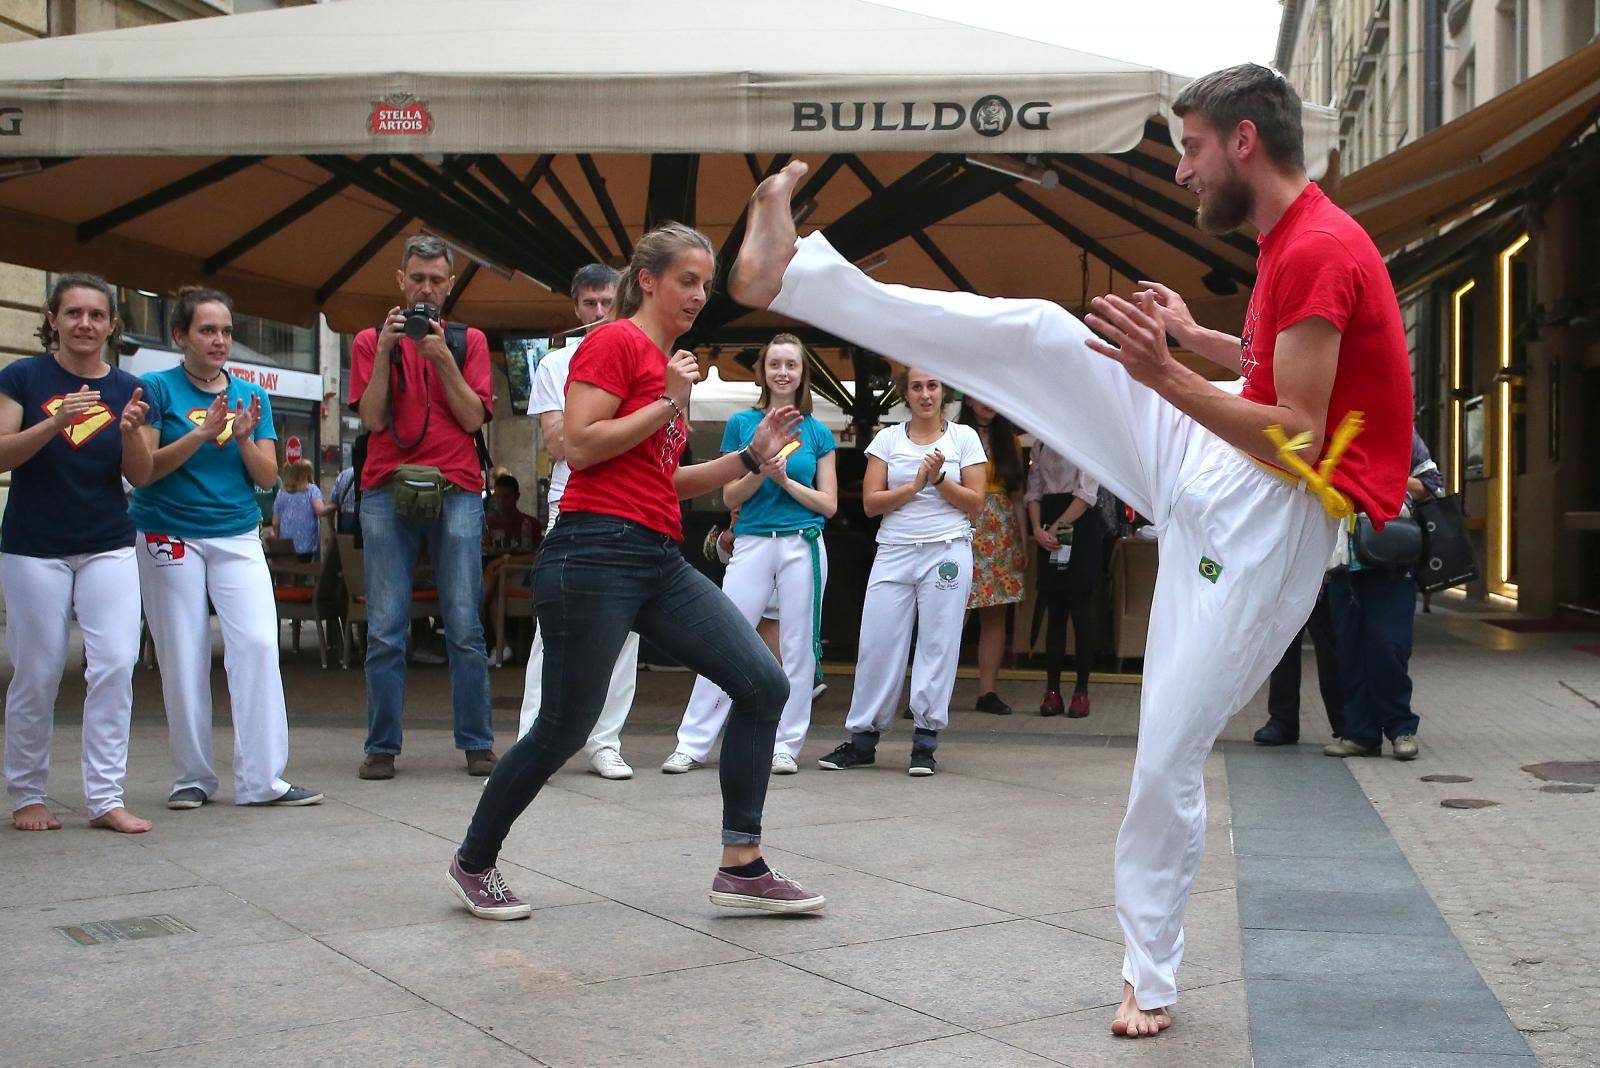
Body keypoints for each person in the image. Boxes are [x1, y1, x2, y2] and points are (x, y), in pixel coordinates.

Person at [726, 62, 1411, 1036]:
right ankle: (795, 277)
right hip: (1219, 461)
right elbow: (1274, 375)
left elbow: (1294, 430)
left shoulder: (1318, 249)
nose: (1180, 172)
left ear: (1243, 142)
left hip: (1272, 515)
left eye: (1191, 148)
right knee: (1045, 337)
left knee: (1166, 744)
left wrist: (1162, 372)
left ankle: (1150, 977)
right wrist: (1189, 340)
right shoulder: (1293, 240)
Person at [449, 223, 825, 920]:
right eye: (687, 280)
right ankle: (474, 860)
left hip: (657, 554)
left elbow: (667, 480)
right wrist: (666, 403)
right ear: (647, 279)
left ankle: (742, 864)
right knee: (565, 726)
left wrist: (751, 458)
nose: (699, 295)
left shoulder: (662, 362)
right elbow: (584, 447)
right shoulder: (616, 341)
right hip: (592, 549)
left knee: (761, 684)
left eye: (706, 284)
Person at [131, 286, 322, 810]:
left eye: (226, 331)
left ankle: (263, 779)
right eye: (206, 330)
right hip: (168, 530)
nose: (219, 340)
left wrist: (239, 437)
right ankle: (192, 777)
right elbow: (143, 470)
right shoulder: (156, 389)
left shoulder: (251, 395)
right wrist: (202, 433)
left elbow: (268, 478)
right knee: (184, 651)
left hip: (236, 532)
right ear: (180, 336)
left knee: (260, 643)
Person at [1, 273, 155, 834]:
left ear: (112, 326)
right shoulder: (22, 376)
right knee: (37, 672)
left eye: (96, 315)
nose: (84, 324)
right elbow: (1, 454)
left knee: (115, 664)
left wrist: (135, 433)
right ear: (53, 320)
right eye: (73, 314)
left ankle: (106, 798)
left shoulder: (126, 389)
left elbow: (139, 475)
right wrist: (56, 421)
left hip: (107, 543)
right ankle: (27, 795)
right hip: (33, 546)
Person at [349, 235, 497, 780]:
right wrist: (389, 351)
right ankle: (381, 746)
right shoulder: (370, 340)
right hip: (387, 486)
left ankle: (477, 742)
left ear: (450, 284)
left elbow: (471, 419)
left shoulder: (468, 340)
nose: (426, 290)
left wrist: (440, 358)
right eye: (418, 279)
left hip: (456, 485)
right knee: (386, 625)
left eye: (437, 280)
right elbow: (373, 420)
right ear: (400, 280)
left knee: (464, 624)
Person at [663, 333, 837, 776]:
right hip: (754, 540)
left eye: (791, 365)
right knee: (726, 638)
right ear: (763, 371)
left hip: (802, 543)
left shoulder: (817, 432)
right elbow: (728, 495)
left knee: (798, 649)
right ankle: (693, 743)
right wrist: (761, 469)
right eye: (775, 364)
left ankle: (785, 745)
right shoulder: (742, 423)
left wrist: (785, 481)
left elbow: (829, 504)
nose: (782, 372)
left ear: (802, 373)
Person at [816, 367, 986, 777]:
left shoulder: (964, 437)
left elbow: (976, 503)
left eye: (932, 386)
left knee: (938, 644)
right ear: (904, 394)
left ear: (943, 390)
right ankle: (863, 741)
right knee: (877, 643)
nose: (925, 394)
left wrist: (940, 479)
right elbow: (871, 504)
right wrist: (915, 486)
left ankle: (925, 741)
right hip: (893, 550)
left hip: (946, 548)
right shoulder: (887, 439)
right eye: (917, 387)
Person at [517, 264, 643, 780]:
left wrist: (592, 432)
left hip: (628, 502)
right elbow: (557, 445)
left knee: (628, 630)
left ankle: (604, 740)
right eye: (589, 304)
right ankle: (532, 740)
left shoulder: (639, 351)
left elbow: (643, 437)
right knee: (554, 628)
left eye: (607, 302)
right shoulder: (556, 362)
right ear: (575, 308)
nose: (598, 313)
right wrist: (614, 431)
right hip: (571, 503)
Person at [1322, 429, 1442, 761]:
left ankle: (1401, 728)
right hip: (1340, 564)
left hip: (1391, 560)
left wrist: (1378, 479)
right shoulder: (1326, 432)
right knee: (1349, 652)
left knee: (1390, 648)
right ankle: (1361, 734)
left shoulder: (1401, 432)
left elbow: (1433, 484)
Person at [1025, 441, 1109, 717]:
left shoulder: (1085, 442)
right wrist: (1037, 529)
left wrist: (1057, 527)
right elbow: (1033, 490)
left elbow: (1087, 494)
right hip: (1048, 518)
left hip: (1079, 523)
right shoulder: (1038, 446)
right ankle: (1052, 690)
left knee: (1081, 611)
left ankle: (1081, 690)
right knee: (1054, 610)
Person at [959, 398, 1027, 716]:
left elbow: (1017, 495)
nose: (989, 404)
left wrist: (1023, 543)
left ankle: (988, 690)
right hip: (964, 523)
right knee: (951, 611)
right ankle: (934, 688)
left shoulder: (1009, 440)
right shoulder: (955, 434)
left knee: (995, 613)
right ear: (969, 400)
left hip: (1001, 529)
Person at [1254, 584, 1343, 744]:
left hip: (1325, 572)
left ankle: (1345, 722)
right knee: (1283, 645)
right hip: (1290, 576)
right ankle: (1282, 720)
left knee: (1330, 648)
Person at [481, 473, 538, 667]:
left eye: (505, 497)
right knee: (494, 581)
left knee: (493, 572)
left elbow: (538, 553)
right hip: (500, 574)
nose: (501, 502)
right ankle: (500, 644)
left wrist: (506, 560)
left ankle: (470, 613)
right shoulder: (489, 524)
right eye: (497, 497)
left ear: (517, 496)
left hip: (522, 572)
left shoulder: (529, 523)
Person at [270, 458, 332, 560]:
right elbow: (320, 510)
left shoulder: (282, 492)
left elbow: (275, 522)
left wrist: (276, 537)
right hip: (306, 543)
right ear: (309, 473)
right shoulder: (311, 490)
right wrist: (334, 505)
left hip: (286, 543)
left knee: (289, 570)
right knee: (304, 568)